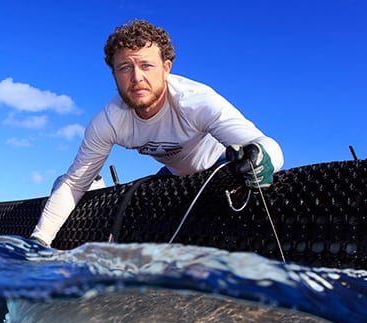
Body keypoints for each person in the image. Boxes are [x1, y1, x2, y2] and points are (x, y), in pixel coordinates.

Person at [30, 19, 284, 247]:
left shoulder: (196, 101)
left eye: (146, 65)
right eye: (125, 68)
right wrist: (39, 240)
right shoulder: (108, 121)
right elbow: (74, 183)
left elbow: (264, 145)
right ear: (114, 74)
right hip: (172, 178)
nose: (136, 77)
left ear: (166, 67)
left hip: (221, 170)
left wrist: (261, 158)